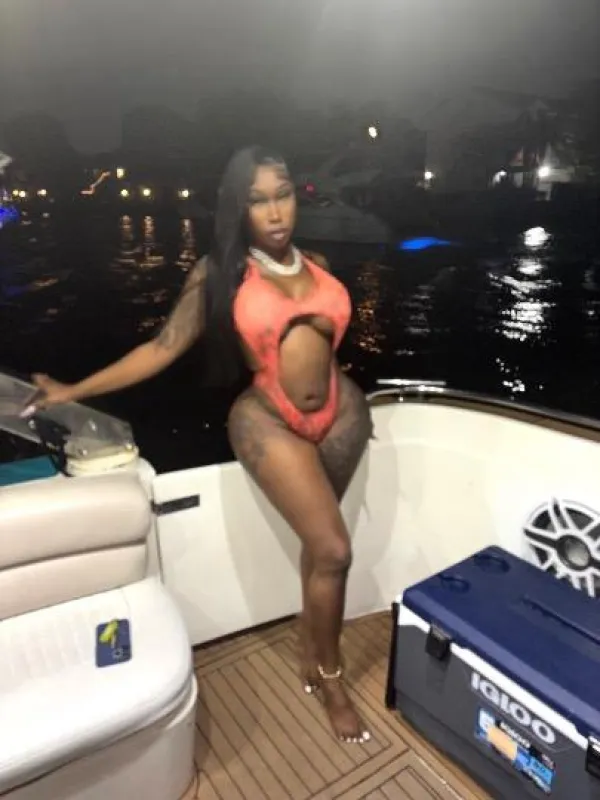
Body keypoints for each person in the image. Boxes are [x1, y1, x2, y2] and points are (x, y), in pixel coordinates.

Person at [27, 146, 374, 744]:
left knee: (321, 548)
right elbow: (160, 349)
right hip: (270, 420)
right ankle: (331, 675)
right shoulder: (220, 275)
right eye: (257, 201)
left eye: (283, 195)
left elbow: (325, 347)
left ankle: (308, 638)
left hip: (343, 415)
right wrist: (72, 390)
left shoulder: (317, 263)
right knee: (335, 550)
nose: (275, 212)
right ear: (238, 209)